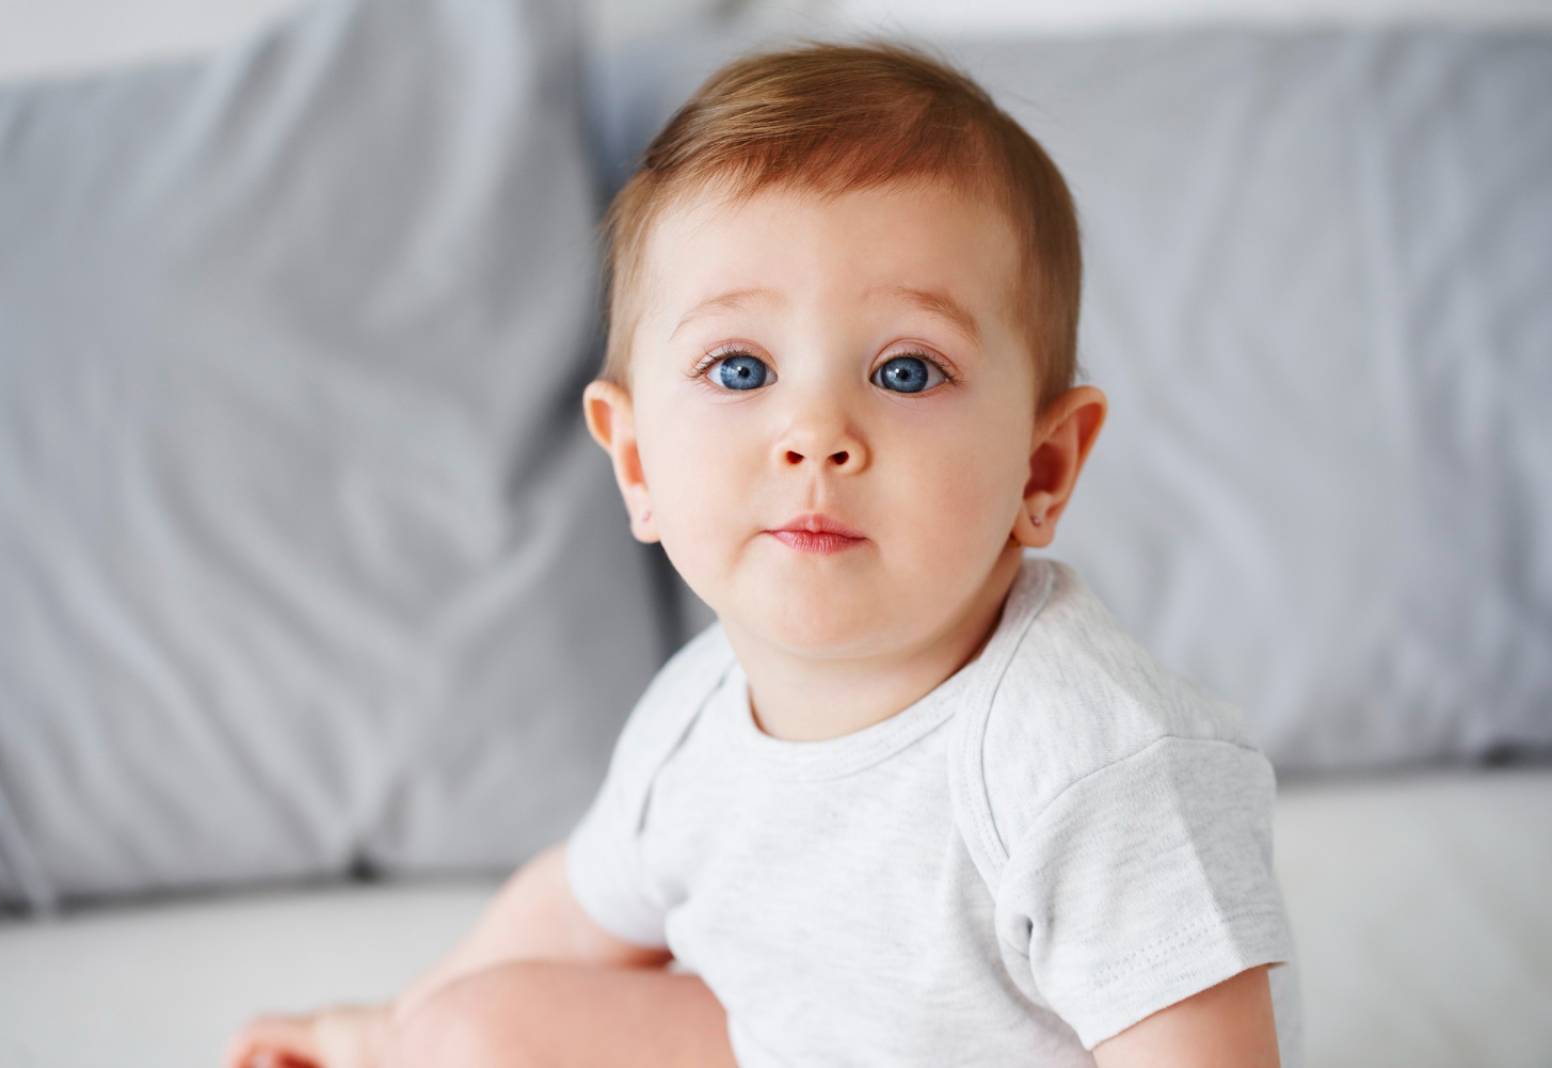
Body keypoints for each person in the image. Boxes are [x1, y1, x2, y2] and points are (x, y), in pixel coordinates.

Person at [225, 37, 1300, 1068]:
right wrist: (383, 1034)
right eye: (739, 370)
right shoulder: (694, 725)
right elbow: (569, 913)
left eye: (907, 371)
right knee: (470, 1033)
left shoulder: (1091, 762)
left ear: (1042, 469)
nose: (815, 431)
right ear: (637, 463)